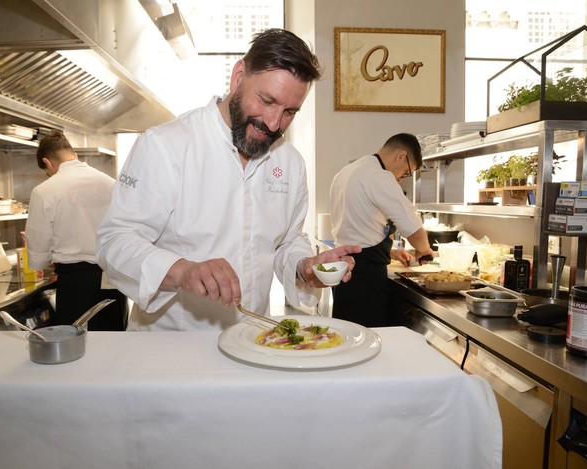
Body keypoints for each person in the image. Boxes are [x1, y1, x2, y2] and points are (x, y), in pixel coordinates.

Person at [96, 28, 361, 331]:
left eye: (289, 112)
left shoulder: (290, 163)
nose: (274, 123)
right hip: (171, 347)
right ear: (238, 77)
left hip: (250, 339)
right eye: (266, 100)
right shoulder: (166, 145)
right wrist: (181, 271)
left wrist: (304, 267)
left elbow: (288, 241)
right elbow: (114, 240)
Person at [25, 130, 128, 331]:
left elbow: (39, 252)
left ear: (47, 163)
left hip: (76, 282)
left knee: (76, 346)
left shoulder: (44, 190)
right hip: (114, 278)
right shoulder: (110, 183)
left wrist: (45, 261)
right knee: (114, 344)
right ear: (75, 156)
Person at [329, 133, 435, 327]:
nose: (401, 179)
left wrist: (391, 252)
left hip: (344, 268)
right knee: (368, 339)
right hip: (364, 277)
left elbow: (359, 226)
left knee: (347, 336)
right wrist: (425, 250)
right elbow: (411, 225)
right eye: (406, 172)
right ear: (401, 156)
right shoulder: (378, 175)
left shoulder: (349, 170)